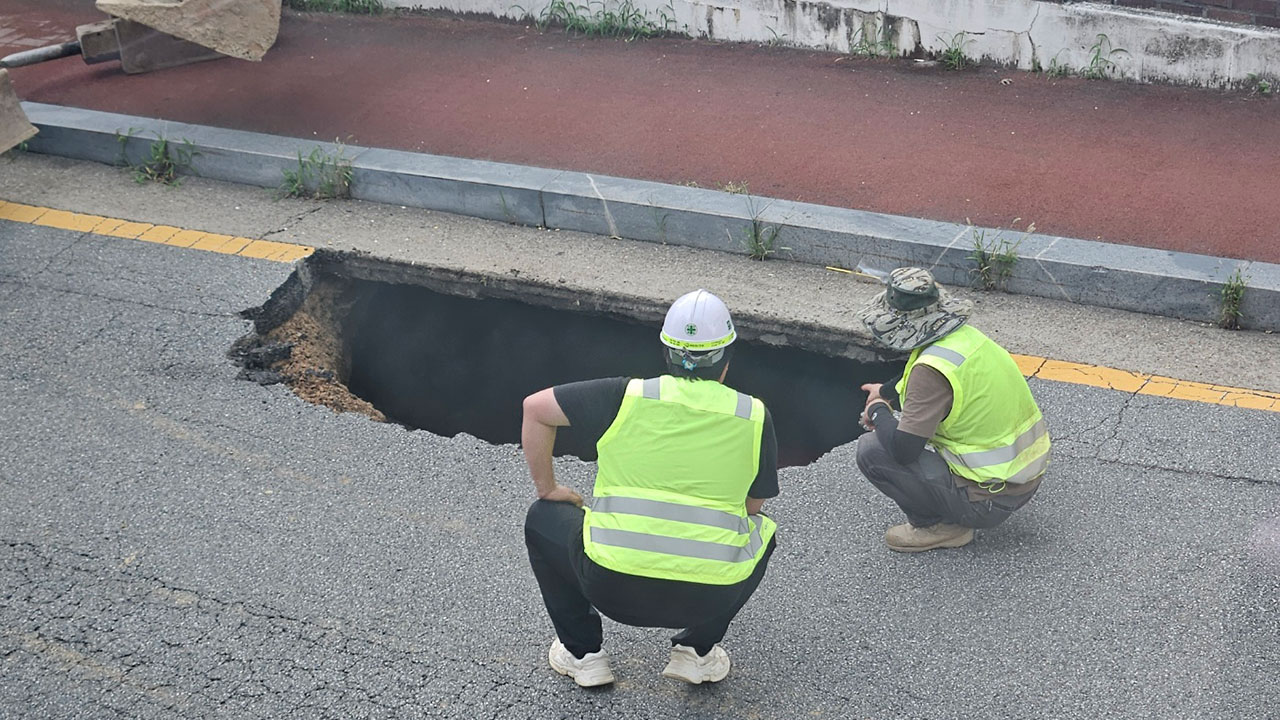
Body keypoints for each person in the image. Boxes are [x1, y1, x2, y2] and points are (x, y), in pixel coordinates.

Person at [521, 289, 778, 688]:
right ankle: (697, 653)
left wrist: (548, 486)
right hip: (707, 595)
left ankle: (583, 656)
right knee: (762, 533)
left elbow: (535, 410)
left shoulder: (625, 396)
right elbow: (752, 506)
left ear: (665, 352)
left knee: (542, 518)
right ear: (727, 358)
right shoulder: (753, 415)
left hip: (610, 586)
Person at [855, 267, 1050, 553]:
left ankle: (940, 527)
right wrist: (884, 392)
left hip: (989, 500)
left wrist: (877, 410)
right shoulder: (967, 340)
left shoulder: (929, 373)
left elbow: (903, 450)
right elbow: (925, 386)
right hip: (1025, 477)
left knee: (872, 449)